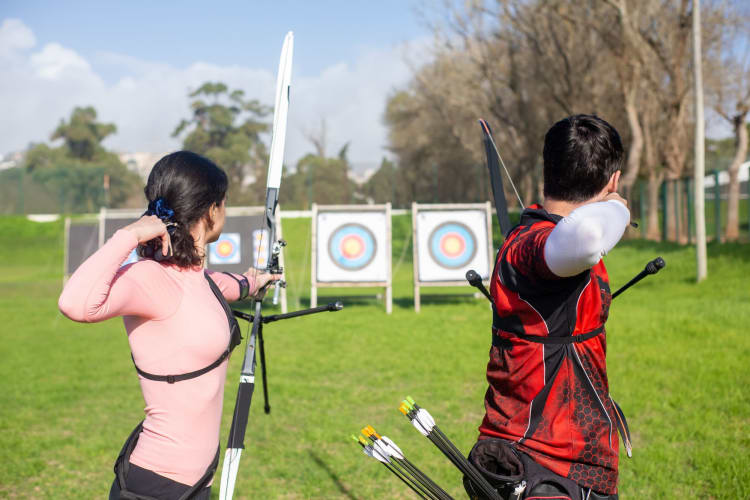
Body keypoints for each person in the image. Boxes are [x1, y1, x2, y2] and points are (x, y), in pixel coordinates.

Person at [58, 151, 280, 499]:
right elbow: (74, 303)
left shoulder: (194, 279)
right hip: (155, 485)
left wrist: (256, 282)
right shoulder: (149, 279)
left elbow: (220, 286)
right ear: (212, 210)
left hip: (195, 484)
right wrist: (130, 234)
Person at [467, 115, 630, 500]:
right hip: (543, 463)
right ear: (613, 180)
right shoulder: (533, 246)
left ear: (547, 170)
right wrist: (618, 208)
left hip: (569, 455)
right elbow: (587, 236)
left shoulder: (541, 243)